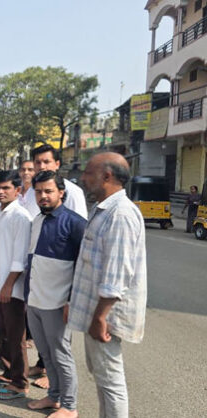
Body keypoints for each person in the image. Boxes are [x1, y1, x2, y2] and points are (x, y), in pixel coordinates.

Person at [68, 152, 147, 418]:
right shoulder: (103, 209)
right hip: (95, 311)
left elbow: (118, 273)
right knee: (101, 376)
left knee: (111, 382)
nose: (83, 177)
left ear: (106, 176)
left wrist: (100, 316)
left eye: (88, 172)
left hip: (105, 316)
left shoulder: (120, 214)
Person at [24, 171, 86, 417]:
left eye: (48, 191)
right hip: (35, 300)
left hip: (58, 302)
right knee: (45, 352)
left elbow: (85, 267)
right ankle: (53, 397)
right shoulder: (37, 220)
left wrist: (72, 300)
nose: (43, 196)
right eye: (39, 192)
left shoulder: (75, 223)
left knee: (61, 354)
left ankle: (69, 406)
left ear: (62, 192)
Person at [0, 170, 32, 400]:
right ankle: (9, 373)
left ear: (17, 190)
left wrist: (8, 286)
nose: (0, 192)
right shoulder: (0, 213)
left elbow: (20, 258)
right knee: (6, 334)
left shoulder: (20, 217)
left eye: (6, 188)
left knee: (15, 335)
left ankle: (20, 383)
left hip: (10, 287)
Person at [31, 144, 88, 220]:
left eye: (46, 162)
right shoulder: (31, 189)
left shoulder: (71, 191)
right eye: (38, 163)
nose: (42, 167)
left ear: (57, 164)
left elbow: (79, 223)